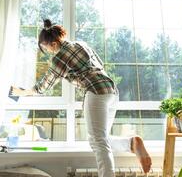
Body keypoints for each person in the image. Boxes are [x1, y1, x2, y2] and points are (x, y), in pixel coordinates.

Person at [11, 19, 152, 176]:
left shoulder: (59, 57)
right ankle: (132, 144)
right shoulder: (80, 44)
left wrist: (21, 92)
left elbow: (44, 85)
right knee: (102, 138)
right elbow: (99, 65)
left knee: (98, 142)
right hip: (111, 90)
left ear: (52, 44)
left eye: (46, 49)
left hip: (96, 91)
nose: (49, 52)